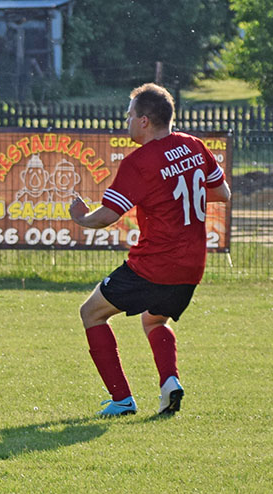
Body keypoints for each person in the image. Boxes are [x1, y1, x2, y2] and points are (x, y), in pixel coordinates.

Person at [69, 83, 231, 417]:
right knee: (155, 319)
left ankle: (121, 400)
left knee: (91, 313)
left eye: (129, 115)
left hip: (154, 264)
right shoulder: (194, 146)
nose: (126, 121)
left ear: (144, 121)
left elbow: (107, 217)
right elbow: (222, 193)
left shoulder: (139, 162)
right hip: (191, 267)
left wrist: (81, 218)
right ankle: (170, 383)